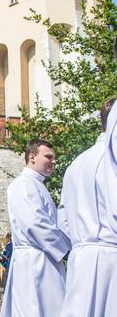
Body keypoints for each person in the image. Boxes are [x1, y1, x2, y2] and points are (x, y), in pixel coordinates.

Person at [59, 98, 117, 317]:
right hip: (111, 255)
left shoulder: (77, 163)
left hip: (81, 256)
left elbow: (63, 218)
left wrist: (79, 240)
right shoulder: (112, 161)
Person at [1, 139, 71, 317]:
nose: (53, 161)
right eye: (48, 156)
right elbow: (35, 224)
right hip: (34, 261)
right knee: (34, 308)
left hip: (44, 257)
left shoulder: (37, 185)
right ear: (32, 157)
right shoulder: (22, 185)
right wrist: (64, 250)